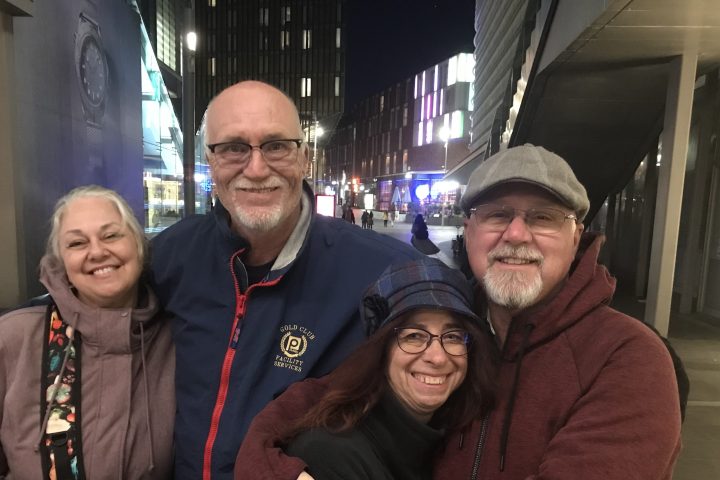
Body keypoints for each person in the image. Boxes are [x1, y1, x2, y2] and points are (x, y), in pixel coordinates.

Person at [233, 144, 683, 480]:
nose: (517, 234)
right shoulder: (454, 320)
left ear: (576, 235)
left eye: (543, 217)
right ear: (469, 231)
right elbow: (325, 395)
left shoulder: (626, 356)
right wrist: (277, 469)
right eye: (497, 214)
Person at [150, 80, 420, 479]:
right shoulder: (174, 254)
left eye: (276, 145)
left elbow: (463, 345)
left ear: (304, 157)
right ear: (210, 160)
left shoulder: (381, 269)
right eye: (234, 148)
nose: (256, 169)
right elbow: (97, 312)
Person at [236, 258, 497, 479]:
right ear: (381, 351)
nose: (437, 357)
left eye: (452, 336)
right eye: (414, 336)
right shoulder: (334, 456)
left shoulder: (454, 434)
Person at [0, 185, 174, 479]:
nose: (97, 251)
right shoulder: (14, 338)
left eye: (111, 235)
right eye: (77, 243)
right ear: (61, 262)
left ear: (139, 245)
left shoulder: (174, 337)